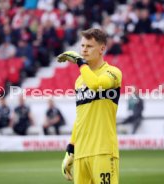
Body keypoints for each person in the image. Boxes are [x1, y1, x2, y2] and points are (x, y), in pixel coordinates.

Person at [57, 28, 122, 184]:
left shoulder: (112, 72)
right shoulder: (79, 81)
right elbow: (81, 118)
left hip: (103, 151)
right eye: (83, 46)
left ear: (102, 49)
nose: (84, 50)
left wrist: (80, 63)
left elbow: (96, 84)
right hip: (81, 154)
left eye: (89, 46)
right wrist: (71, 150)